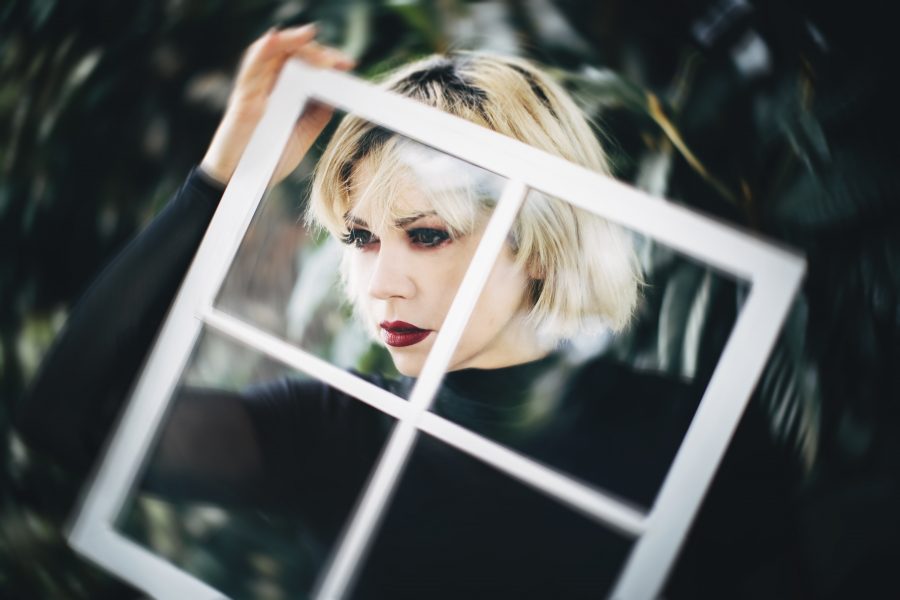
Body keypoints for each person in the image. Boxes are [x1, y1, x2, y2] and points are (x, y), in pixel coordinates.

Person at [16, 24, 799, 600]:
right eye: (360, 237)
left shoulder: (695, 442)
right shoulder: (333, 428)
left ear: (538, 240)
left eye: (427, 235)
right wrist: (221, 177)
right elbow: (66, 420)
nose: (381, 285)